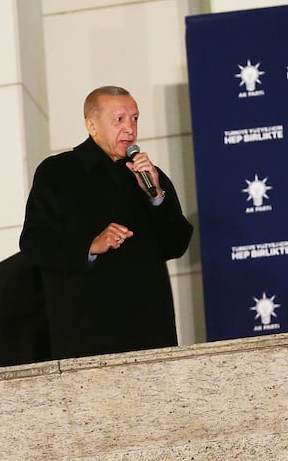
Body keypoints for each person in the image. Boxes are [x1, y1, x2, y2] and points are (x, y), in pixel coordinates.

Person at [19, 85, 193, 359]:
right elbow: (35, 243)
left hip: (150, 330)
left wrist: (157, 197)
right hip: (88, 333)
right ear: (91, 125)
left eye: (134, 118)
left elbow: (177, 243)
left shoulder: (149, 176)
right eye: (119, 119)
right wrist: (90, 245)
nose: (130, 129)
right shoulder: (58, 173)